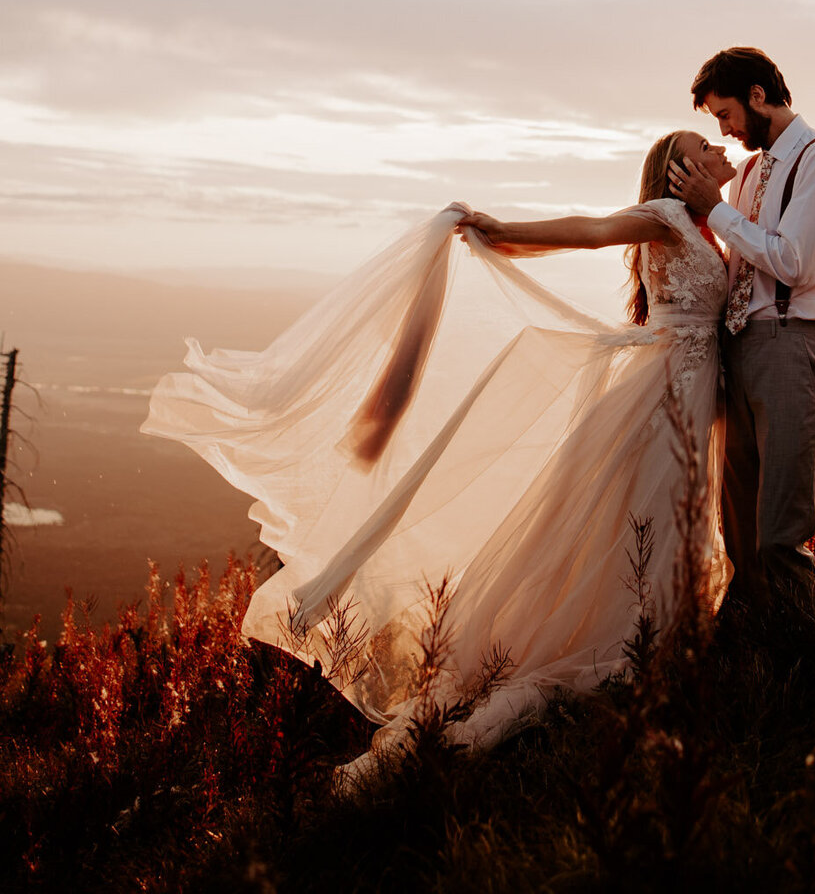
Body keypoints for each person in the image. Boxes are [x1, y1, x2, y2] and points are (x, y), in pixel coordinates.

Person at [142, 128, 736, 777]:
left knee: (656, 520)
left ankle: (661, 638)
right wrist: (500, 228)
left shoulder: (707, 225)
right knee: (651, 515)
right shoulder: (666, 215)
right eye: (703, 149)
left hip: (687, 392)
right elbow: (587, 230)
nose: (716, 154)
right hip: (666, 399)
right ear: (679, 171)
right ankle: (639, 646)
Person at [668, 47, 815, 609]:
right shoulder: (751, 170)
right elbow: (739, 263)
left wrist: (718, 210)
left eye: (726, 114)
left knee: (780, 529)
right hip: (740, 349)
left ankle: (801, 659)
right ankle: (748, 655)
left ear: (758, 96)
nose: (725, 130)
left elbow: (791, 261)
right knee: (739, 526)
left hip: (792, 347)